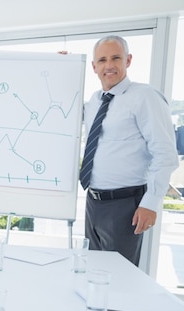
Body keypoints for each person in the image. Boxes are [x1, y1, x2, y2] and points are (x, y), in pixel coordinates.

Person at [81, 35, 178, 266]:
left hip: (125, 205)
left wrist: (150, 202)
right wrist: (60, 68)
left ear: (129, 60)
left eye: (116, 58)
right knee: (92, 272)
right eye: (102, 60)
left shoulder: (145, 97)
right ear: (94, 66)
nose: (109, 65)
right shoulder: (94, 101)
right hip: (93, 201)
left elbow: (165, 154)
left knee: (119, 280)